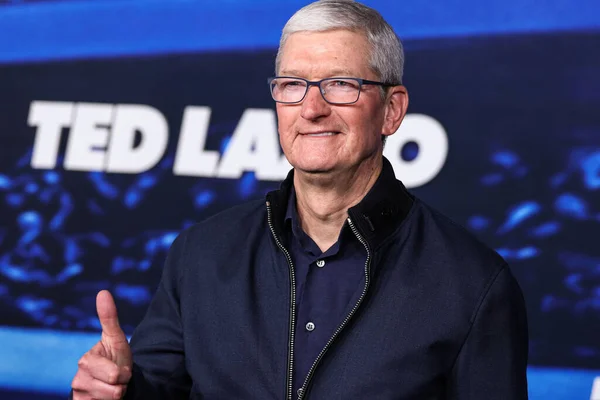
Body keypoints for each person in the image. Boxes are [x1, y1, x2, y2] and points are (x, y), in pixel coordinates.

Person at [70, 0, 529, 399]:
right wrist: (121, 392)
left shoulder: (474, 286)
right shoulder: (202, 255)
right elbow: (159, 391)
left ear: (391, 111)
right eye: (293, 85)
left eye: (341, 84)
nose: (311, 108)